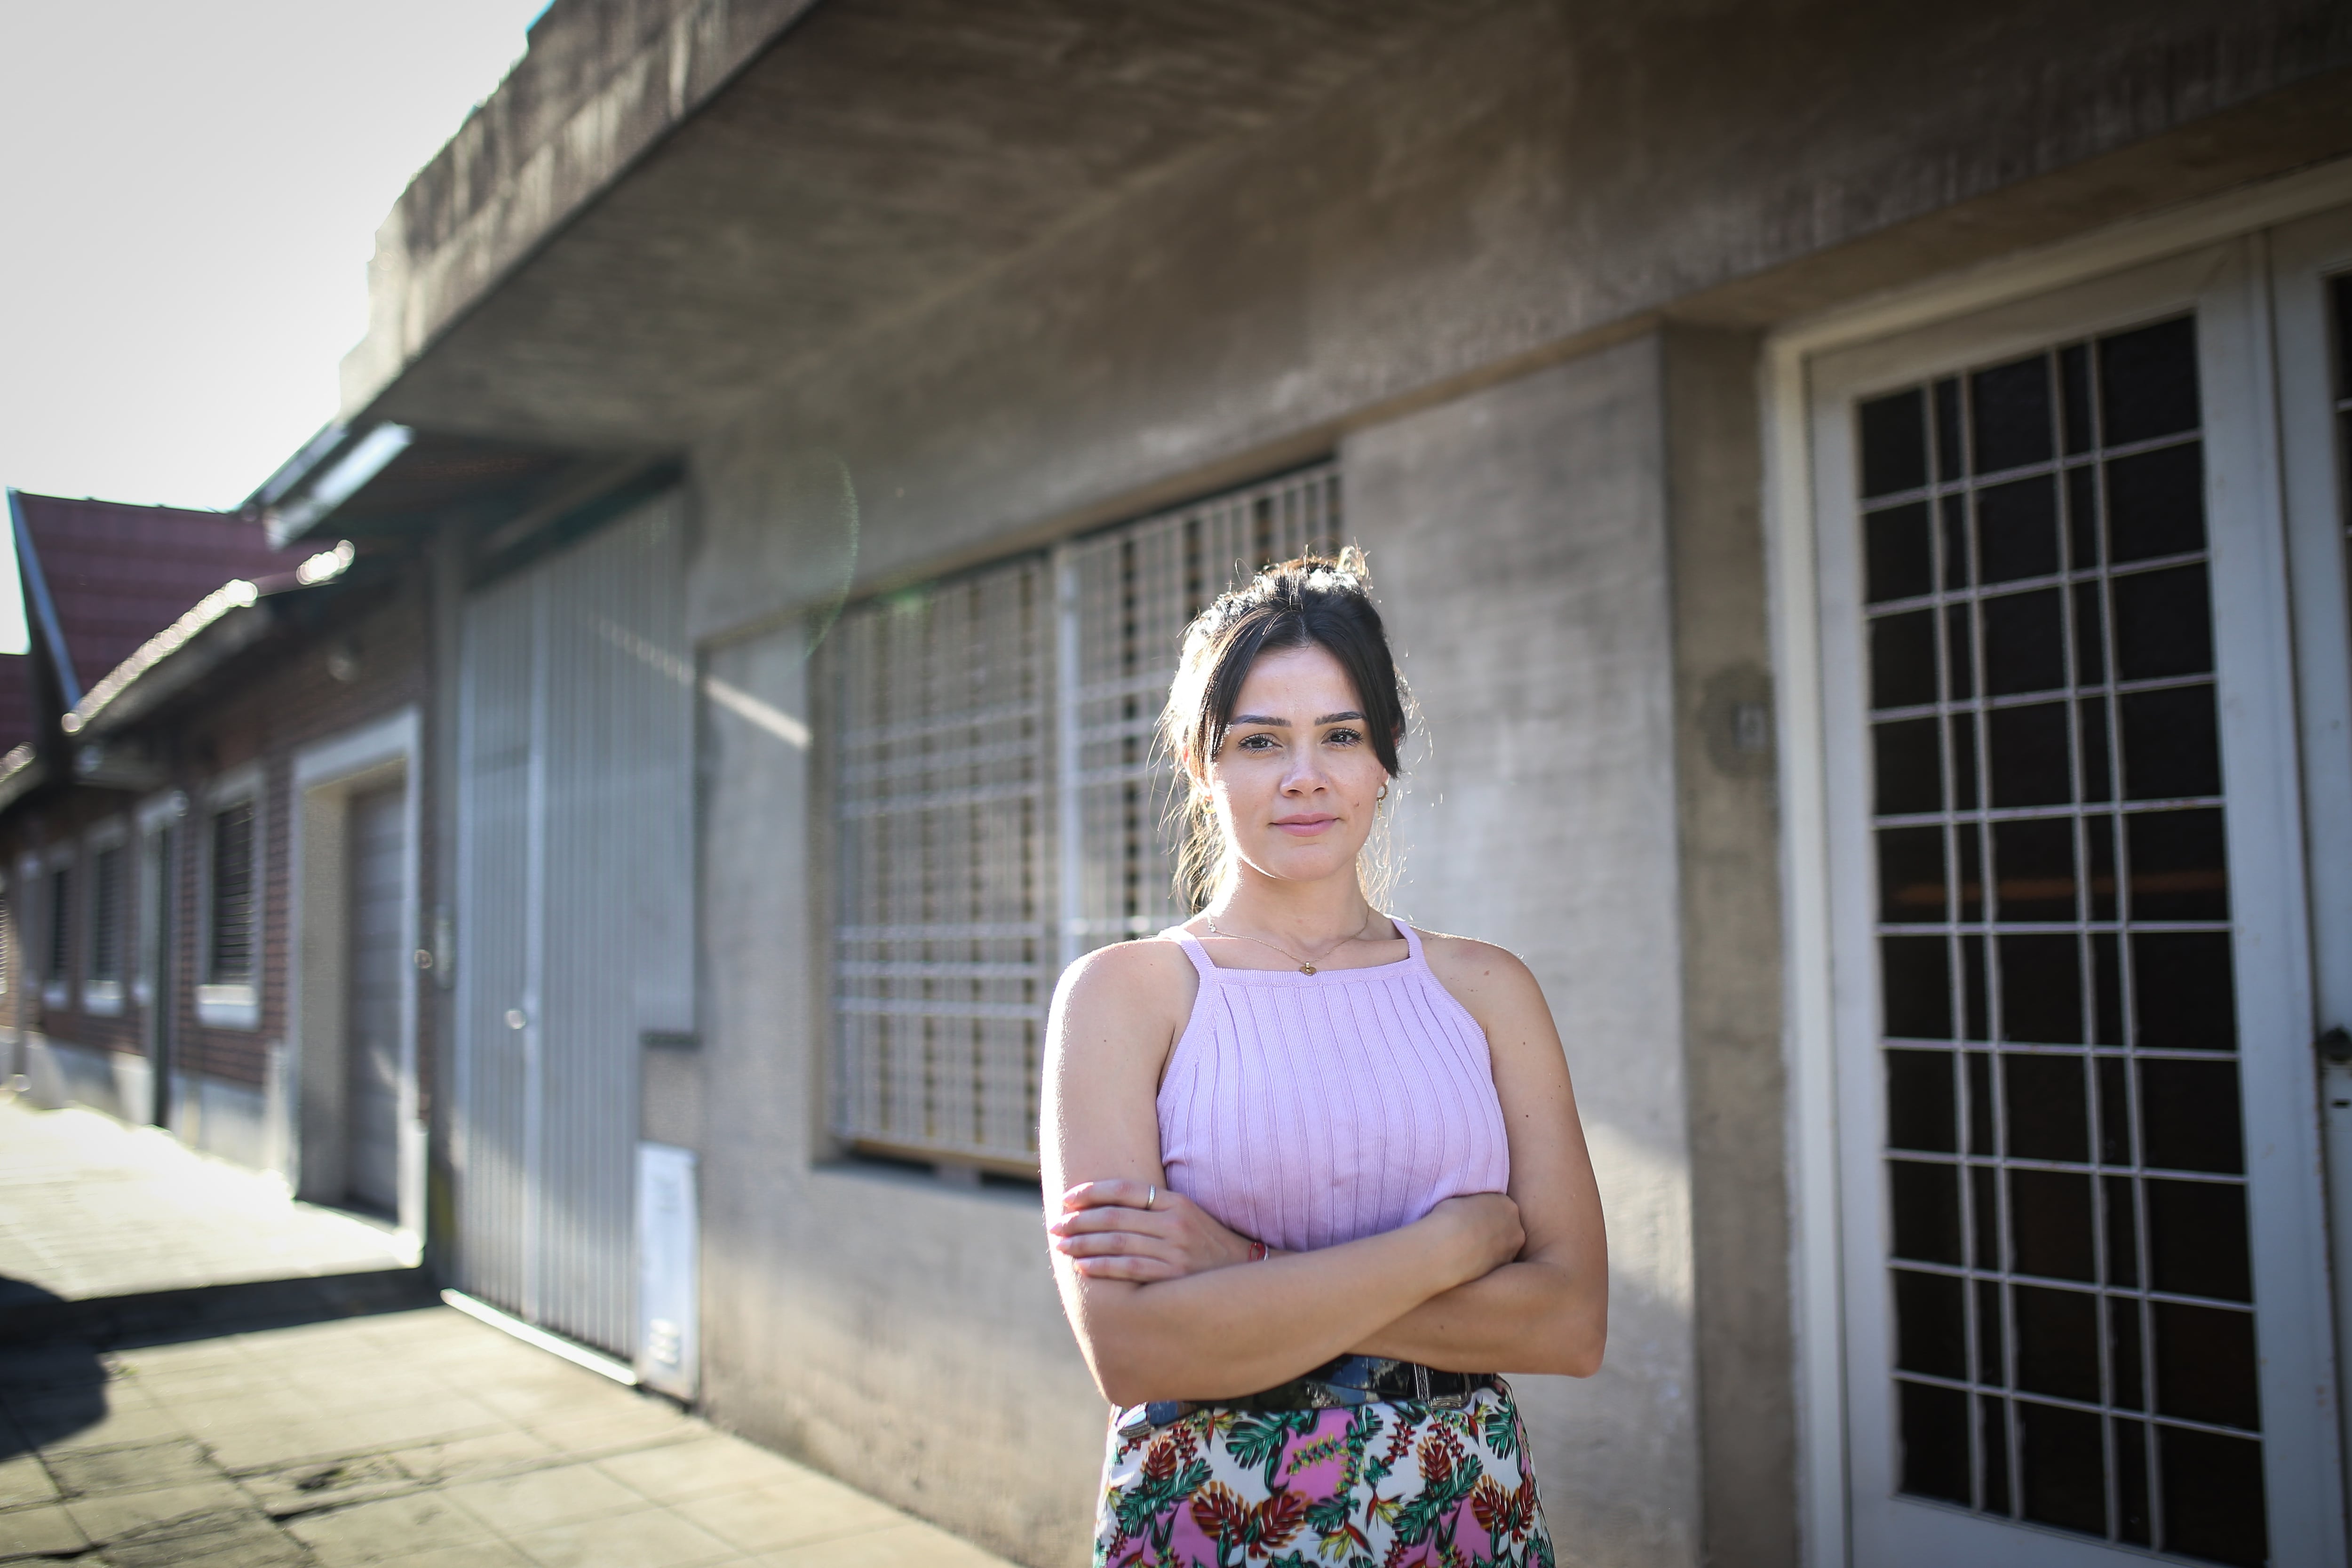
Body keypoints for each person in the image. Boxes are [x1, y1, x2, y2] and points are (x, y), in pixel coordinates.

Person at [1041, 549, 1607, 1568]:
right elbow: (1134, 1348)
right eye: (1260, 739)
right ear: (1197, 760)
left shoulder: (1486, 990)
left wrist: (1243, 1271)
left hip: (1461, 1511)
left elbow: (1568, 1321)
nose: (1304, 774)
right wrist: (1454, 1243)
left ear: (1384, 757)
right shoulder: (1124, 994)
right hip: (1211, 1513)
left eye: (1339, 735)